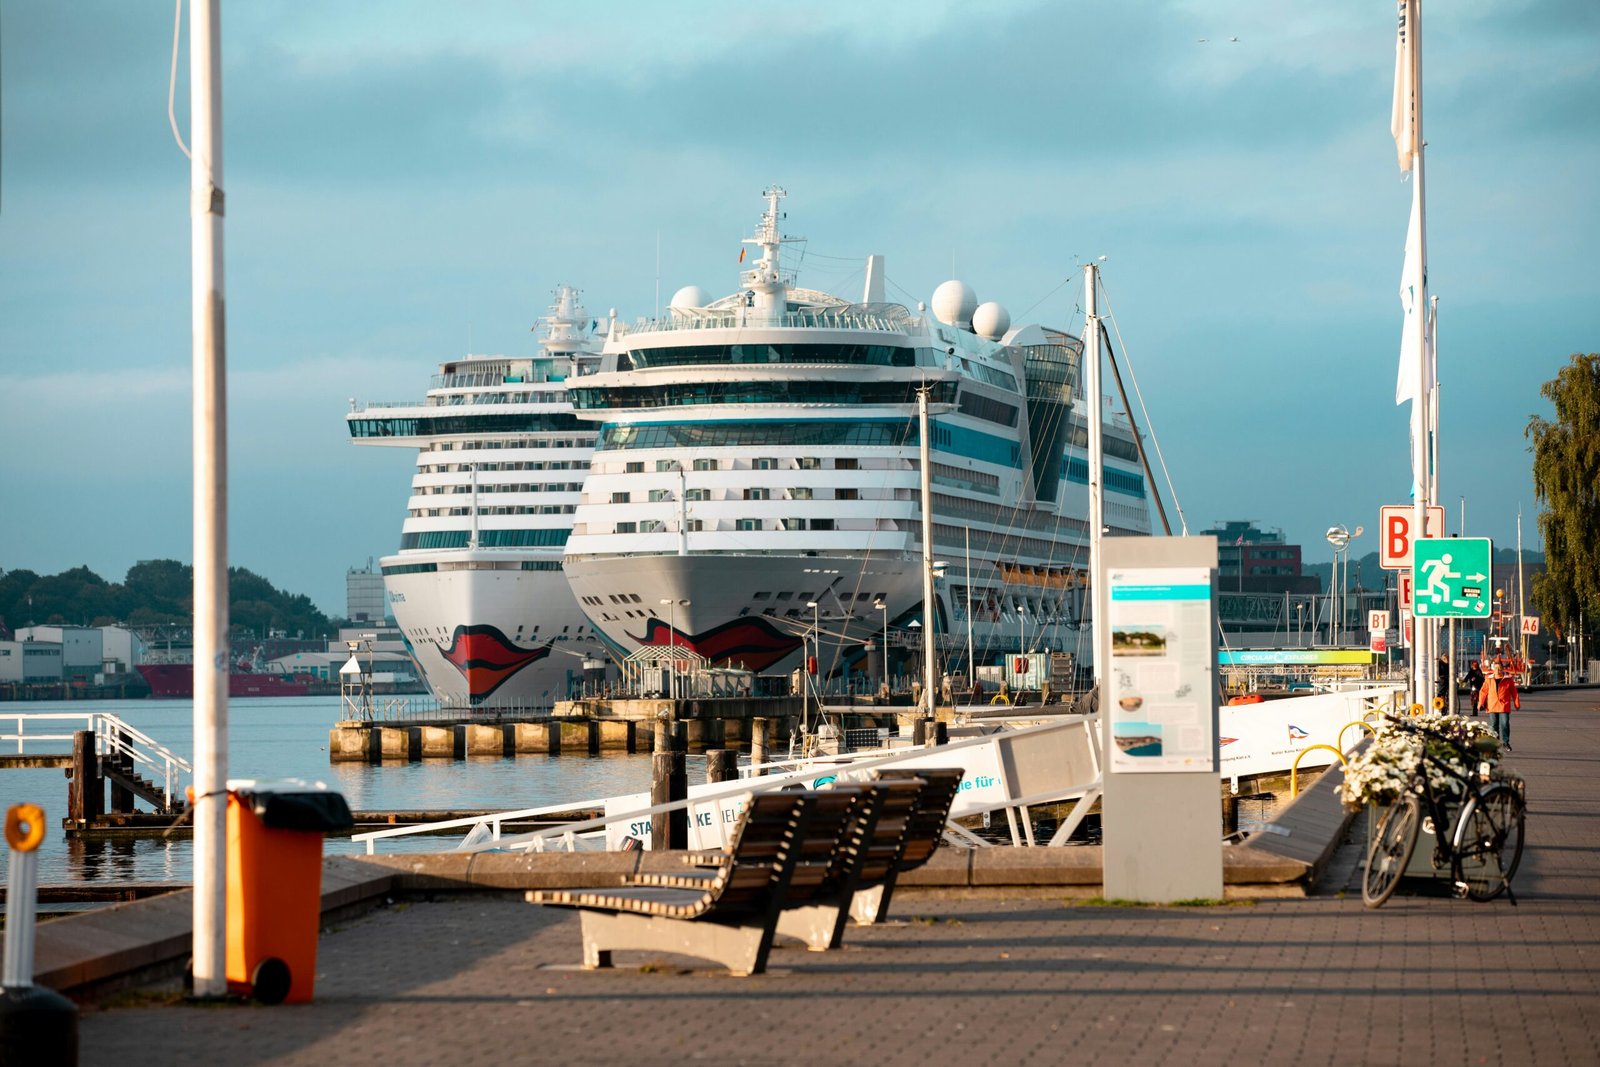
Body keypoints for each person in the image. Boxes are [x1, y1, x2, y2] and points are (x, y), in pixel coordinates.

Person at [1476, 662, 1520, 749]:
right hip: (1492, 705)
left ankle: (1505, 742)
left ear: (1503, 669)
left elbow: (1514, 693)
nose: (1497, 670)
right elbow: (1483, 691)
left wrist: (1517, 703)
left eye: (1499, 668)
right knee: (1493, 725)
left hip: (1504, 705)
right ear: (1493, 669)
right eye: (1496, 668)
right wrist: (1480, 703)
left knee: (1505, 724)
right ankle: (1495, 742)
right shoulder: (1489, 679)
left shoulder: (1508, 679)